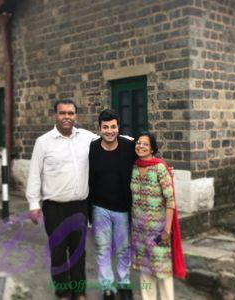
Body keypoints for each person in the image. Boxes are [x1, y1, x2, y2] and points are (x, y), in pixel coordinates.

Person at [26, 99, 98, 300]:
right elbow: (34, 174)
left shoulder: (87, 137)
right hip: (54, 208)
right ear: (55, 115)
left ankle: (79, 291)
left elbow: (112, 140)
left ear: (76, 116)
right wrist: (34, 204)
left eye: (71, 113)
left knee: (79, 252)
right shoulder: (44, 142)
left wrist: (145, 153)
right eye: (62, 113)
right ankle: (63, 292)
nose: (67, 117)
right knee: (58, 252)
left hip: (79, 206)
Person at [130, 132, 186, 300]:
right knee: (145, 270)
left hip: (158, 231)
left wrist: (166, 231)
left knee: (162, 270)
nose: (140, 146)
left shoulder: (160, 168)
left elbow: (170, 201)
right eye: (138, 143)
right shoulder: (133, 166)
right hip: (139, 231)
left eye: (145, 144)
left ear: (152, 148)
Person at [88, 109, 136, 300]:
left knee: (123, 248)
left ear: (118, 128)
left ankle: (124, 284)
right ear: (99, 129)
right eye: (105, 127)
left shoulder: (128, 146)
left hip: (123, 208)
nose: (109, 131)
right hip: (100, 207)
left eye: (113, 127)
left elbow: (146, 156)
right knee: (103, 248)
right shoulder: (92, 148)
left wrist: (164, 168)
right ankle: (107, 287)